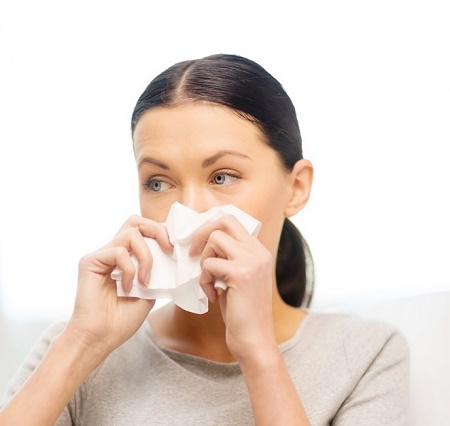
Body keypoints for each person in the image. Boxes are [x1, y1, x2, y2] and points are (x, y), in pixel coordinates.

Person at [0, 54, 409, 425]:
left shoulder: (365, 354)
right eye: (158, 182)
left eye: (222, 177)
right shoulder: (72, 345)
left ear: (296, 188)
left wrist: (258, 353)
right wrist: (83, 344)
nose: (189, 212)